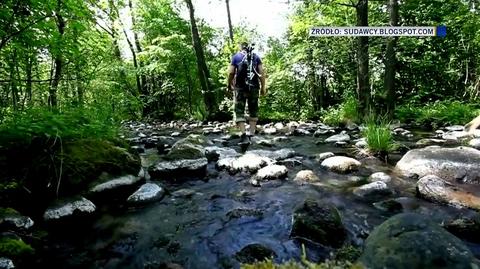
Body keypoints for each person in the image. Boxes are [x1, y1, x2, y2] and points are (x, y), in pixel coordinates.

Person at [228, 42, 267, 143]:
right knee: (253, 110)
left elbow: (231, 72)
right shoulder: (256, 57)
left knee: (239, 111)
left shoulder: (236, 57)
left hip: (240, 88)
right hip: (254, 87)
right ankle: (252, 134)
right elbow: (261, 72)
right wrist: (263, 87)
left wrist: (229, 84)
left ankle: (243, 134)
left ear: (240, 48)